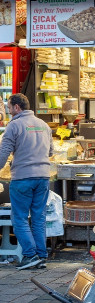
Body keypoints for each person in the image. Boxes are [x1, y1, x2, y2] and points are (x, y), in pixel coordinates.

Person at [0, 94, 53, 270]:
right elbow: (51, 151)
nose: (8, 111)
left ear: (16, 107)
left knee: (20, 218)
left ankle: (30, 255)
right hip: (43, 177)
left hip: (22, 177)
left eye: (9, 107)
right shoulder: (44, 125)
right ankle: (41, 255)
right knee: (38, 218)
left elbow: (3, 155)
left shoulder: (14, 126)